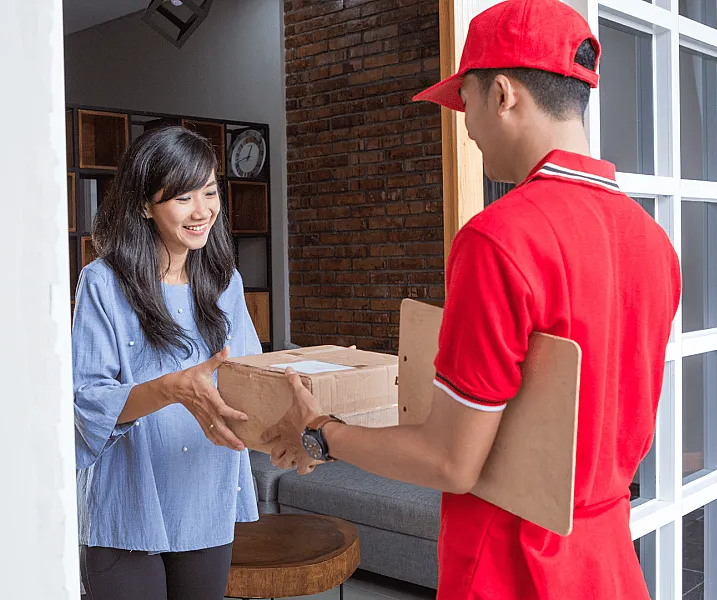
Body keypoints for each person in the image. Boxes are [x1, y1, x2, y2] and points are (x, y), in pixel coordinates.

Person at [262, 1, 682, 598]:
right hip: (607, 560)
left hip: (512, 566)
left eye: (467, 102)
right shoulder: (653, 242)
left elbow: (450, 460)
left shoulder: (501, 236)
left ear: (503, 93)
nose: (467, 126)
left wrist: (322, 431)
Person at [72, 126, 260, 600]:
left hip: (204, 491)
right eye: (182, 197)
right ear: (143, 205)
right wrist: (173, 388)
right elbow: (86, 403)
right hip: (127, 502)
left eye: (210, 192)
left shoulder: (224, 281)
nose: (202, 211)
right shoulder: (102, 284)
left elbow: (250, 376)